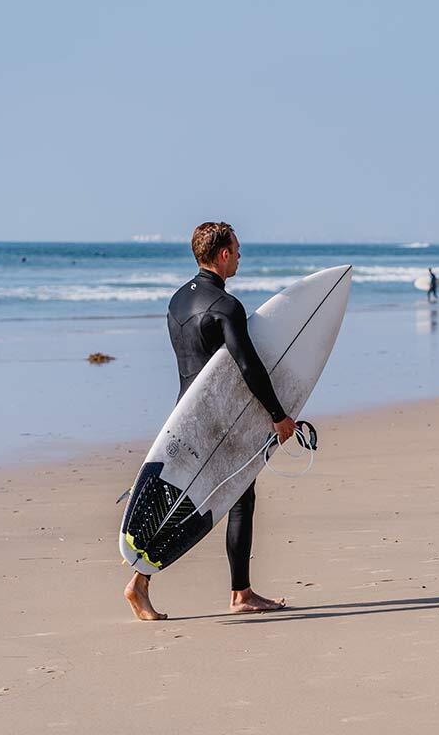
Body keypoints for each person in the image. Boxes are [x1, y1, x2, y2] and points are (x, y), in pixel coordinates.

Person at [124, 221, 296, 621]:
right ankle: (237, 594)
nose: (240, 257)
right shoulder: (225, 306)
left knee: (181, 501)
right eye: (236, 250)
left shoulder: (177, 301)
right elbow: (248, 366)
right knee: (239, 497)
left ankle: (144, 581)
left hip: (183, 415)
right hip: (218, 423)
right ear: (223, 254)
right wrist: (278, 416)